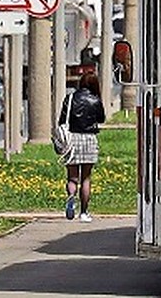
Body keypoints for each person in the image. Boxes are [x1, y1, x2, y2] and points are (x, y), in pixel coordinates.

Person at [59, 72, 105, 222]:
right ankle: (84, 212)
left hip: (72, 139)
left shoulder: (70, 98)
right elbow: (101, 118)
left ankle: (71, 196)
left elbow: (62, 119)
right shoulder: (95, 100)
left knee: (72, 177)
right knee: (86, 177)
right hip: (89, 139)